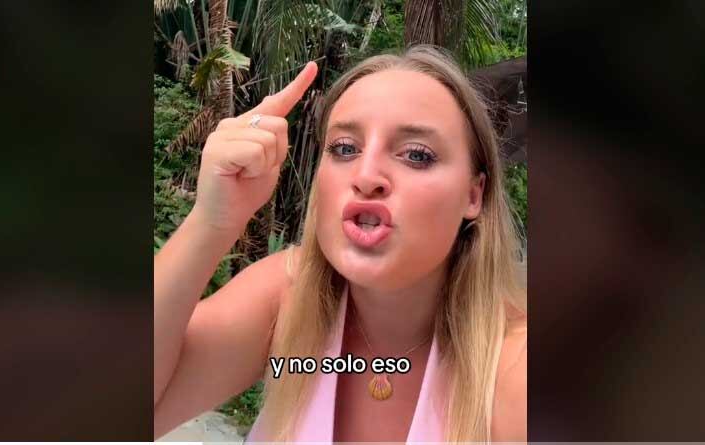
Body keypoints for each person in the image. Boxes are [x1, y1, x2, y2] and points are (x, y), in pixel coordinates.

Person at [154, 45, 527, 442]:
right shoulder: (288, 297)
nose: (366, 176)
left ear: (474, 195)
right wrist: (211, 222)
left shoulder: (514, 368)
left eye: (417, 155)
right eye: (344, 148)